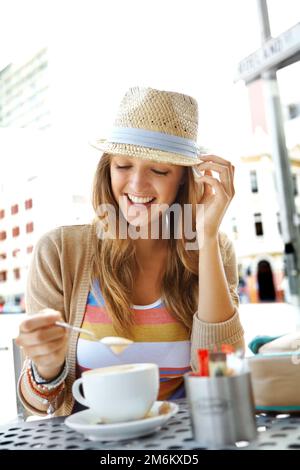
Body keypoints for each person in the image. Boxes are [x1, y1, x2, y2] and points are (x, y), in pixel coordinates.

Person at [16, 86, 244, 417]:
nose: (136, 186)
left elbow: (224, 376)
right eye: (123, 166)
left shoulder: (215, 248)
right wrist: (46, 368)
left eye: (159, 170)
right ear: (106, 170)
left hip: (184, 441)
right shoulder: (59, 252)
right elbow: (40, 407)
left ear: (183, 179)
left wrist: (205, 237)